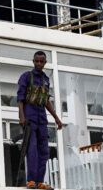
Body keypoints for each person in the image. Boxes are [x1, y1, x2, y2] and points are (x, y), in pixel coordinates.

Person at [17, 51, 63, 189]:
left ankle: (40, 181)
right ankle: (31, 180)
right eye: (36, 61)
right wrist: (21, 116)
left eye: (41, 61)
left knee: (44, 151)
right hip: (30, 118)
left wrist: (56, 118)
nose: (39, 63)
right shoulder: (26, 76)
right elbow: (20, 98)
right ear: (33, 61)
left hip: (42, 119)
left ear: (45, 63)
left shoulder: (45, 80)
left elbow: (46, 101)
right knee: (32, 149)